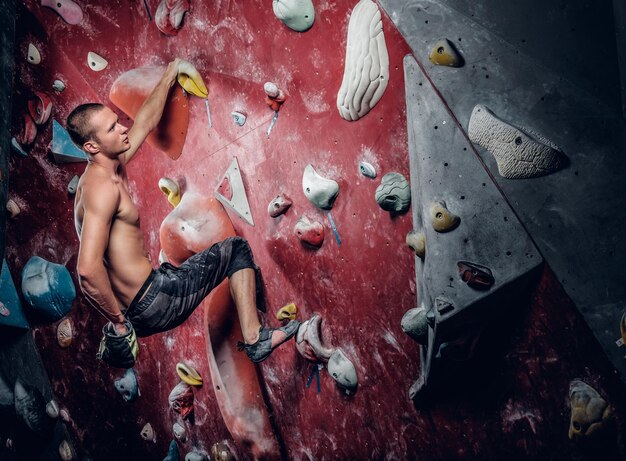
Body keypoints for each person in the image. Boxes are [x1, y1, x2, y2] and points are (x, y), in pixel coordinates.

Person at [69, 58, 299, 366]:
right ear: (92, 147)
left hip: (146, 297)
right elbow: (86, 270)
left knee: (193, 261)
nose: (122, 128)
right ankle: (256, 339)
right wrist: (119, 324)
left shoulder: (105, 166)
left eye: (117, 121)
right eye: (112, 128)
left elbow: (144, 122)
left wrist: (170, 73)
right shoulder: (102, 190)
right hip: (154, 301)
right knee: (236, 250)